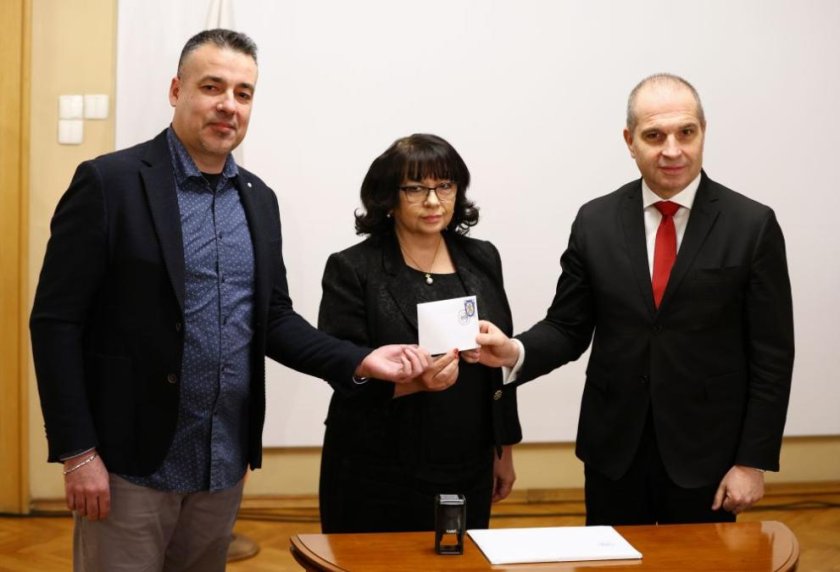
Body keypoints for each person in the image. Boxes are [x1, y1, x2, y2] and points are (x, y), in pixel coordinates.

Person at [29, 29, 430, 572]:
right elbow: (56, 322)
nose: (229, 105)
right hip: (128, 462)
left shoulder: (259, 199)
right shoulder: (110, 183)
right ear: (176, 90)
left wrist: (360, 360)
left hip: (220, 462)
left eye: (243, 93)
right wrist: (78, 453)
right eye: (212, 87)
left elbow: (274, 319)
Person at [476, 74, 794, 525]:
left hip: (707, 452)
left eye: (686, 132)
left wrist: (752, 461)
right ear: (630, 141)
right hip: (613, 450)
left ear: (704, 132)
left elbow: (772, 356)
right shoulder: (595, 221)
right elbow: (568, 326)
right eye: (654, 135)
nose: (672, 150)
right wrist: (514, 351)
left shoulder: (752, 225)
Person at [316, 134, 522, 533]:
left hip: (469, 458)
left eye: (444, 186)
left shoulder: (482, 257)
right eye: (415, 189)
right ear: (387, 197)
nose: (433, 201)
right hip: (377, 465)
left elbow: (498, 368)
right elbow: (341, 372)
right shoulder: (353, 268)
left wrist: (504, 449)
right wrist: (414, 383)